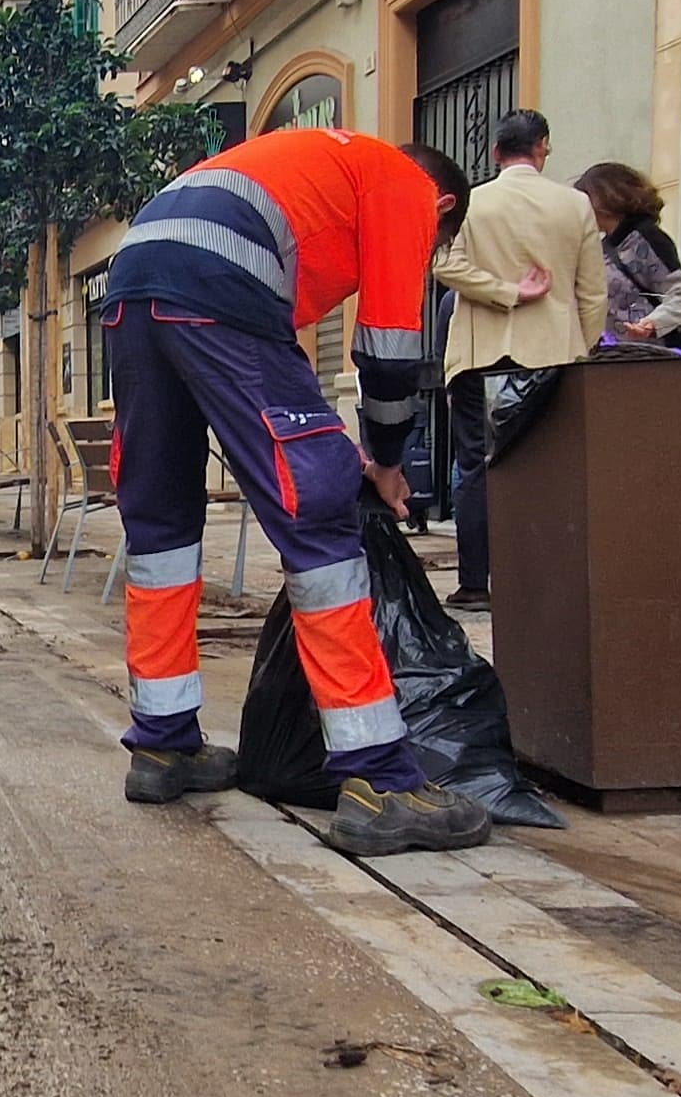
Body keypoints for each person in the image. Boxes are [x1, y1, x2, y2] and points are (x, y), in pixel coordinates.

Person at [101, 123, 494, 856]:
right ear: (439, 207)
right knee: (318, 522)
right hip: (216, 285)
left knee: (160, 530)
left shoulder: (315, 170)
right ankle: (381, 781)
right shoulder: (403, 184)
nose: (428, 261)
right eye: (437, 250)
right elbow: (387, 347)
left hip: (131, 282)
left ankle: (162, 745)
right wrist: (383, 457)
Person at [430, 110, 609, 609]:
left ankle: (474, 583)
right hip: (553, 356)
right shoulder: (575, 207)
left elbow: (444, 264)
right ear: (542, 147)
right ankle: (546, 576)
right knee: (549, 466)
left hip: (478, 353)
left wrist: (504, 292)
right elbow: (593, 293)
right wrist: (582, 345)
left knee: (475, 467)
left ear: (495, 154)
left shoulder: (473, 204)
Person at [574, 161, 681, 354]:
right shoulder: (603, 246)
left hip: (651, 357)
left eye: (585, 200)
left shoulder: (646, 238)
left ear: (605, 198)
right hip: (616, 357)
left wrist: (651, 324)